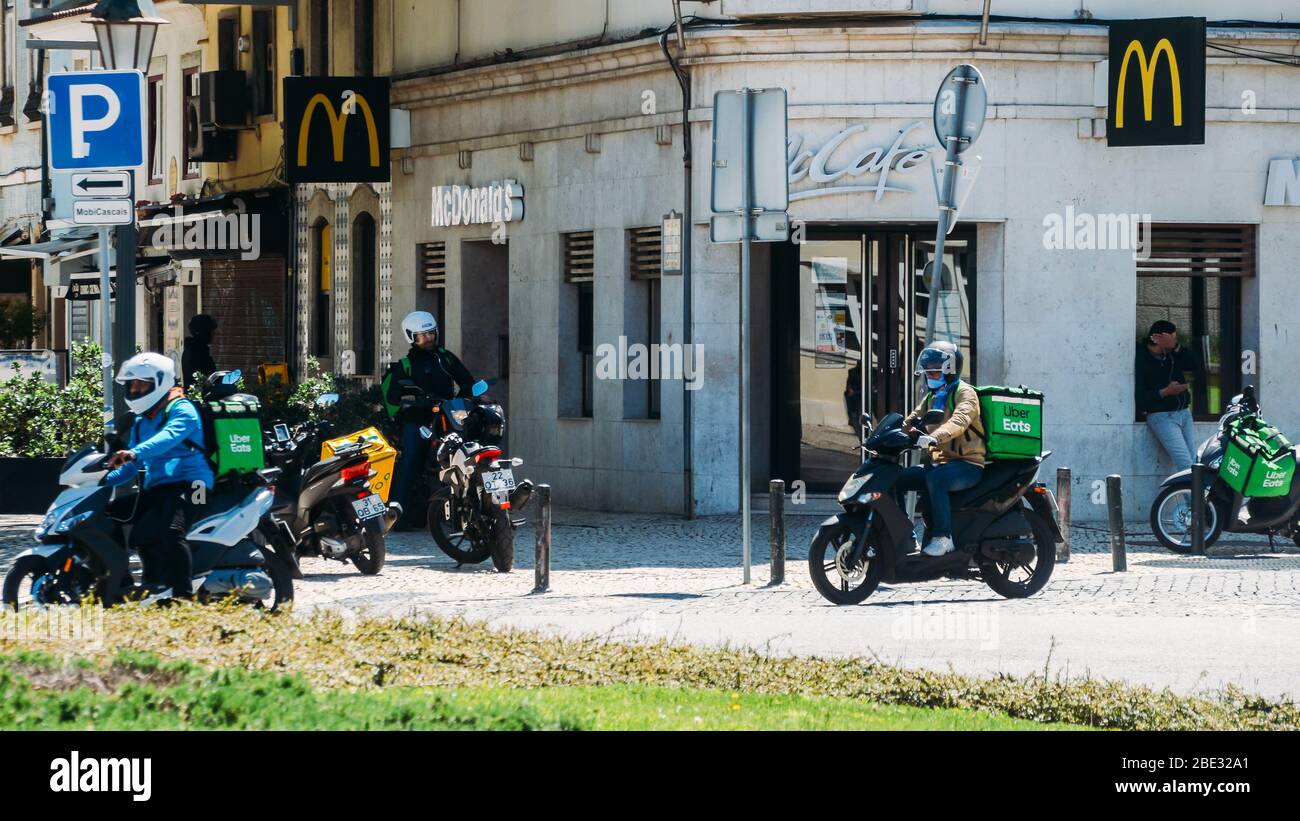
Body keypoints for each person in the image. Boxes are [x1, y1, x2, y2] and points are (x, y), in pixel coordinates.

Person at [105, 352, 215, 600]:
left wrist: (134, 452)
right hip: (159, 487)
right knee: (108, 513)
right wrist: (101, 481)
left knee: (171, 530)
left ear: (160, 382)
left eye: (141, 384)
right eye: (132, 385)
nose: (135, 389)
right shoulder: (142, 420)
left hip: (195, 483)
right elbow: (133, 466)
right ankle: (127, 585)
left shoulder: (181, 408)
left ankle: (183, 596)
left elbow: (167, 438)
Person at [381, 311, 477, 530]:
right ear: (411, 337)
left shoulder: (446, 358)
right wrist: (412, 399)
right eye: (422, 335)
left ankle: (467, 513)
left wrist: (473, 395)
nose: (428, 339)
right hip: (418, 421)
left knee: (464, 458)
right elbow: (392, 395)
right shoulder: (405, 365)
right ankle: (397, 517)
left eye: (431, 333)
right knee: (410, 462)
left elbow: (466, 381)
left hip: (448, 417)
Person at [897, 341, 986, 557]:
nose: (929, 372)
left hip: (968, 464)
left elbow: (960, 420)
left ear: (949, 368)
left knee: (936, 479)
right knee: (895, 479)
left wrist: (933, 437)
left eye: (934, 367)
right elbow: (912, 420)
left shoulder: (965, 393)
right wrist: (894, 434)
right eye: (927, 368)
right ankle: (904, 537)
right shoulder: (932, 396)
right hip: (942, 462)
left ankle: (943, 537)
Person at [1135, 319, 1201, 473]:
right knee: (1185, 464)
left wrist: (1176, 347)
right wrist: (1165, 392)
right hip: (1161, 416)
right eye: (1172, 337)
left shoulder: (1172, 354)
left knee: (1194, 463)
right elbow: (1141, 397)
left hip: (1184, 413)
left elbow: (1194, 365)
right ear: (1157, 338)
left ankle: (1194, 497)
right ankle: (1194, 498)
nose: (1174, 340)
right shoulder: (1141, 357)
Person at [181, 314, 218, 391]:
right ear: (204, 331)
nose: (214, 334)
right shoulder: (197, 353)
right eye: (211, 331)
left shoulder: (196, 349)